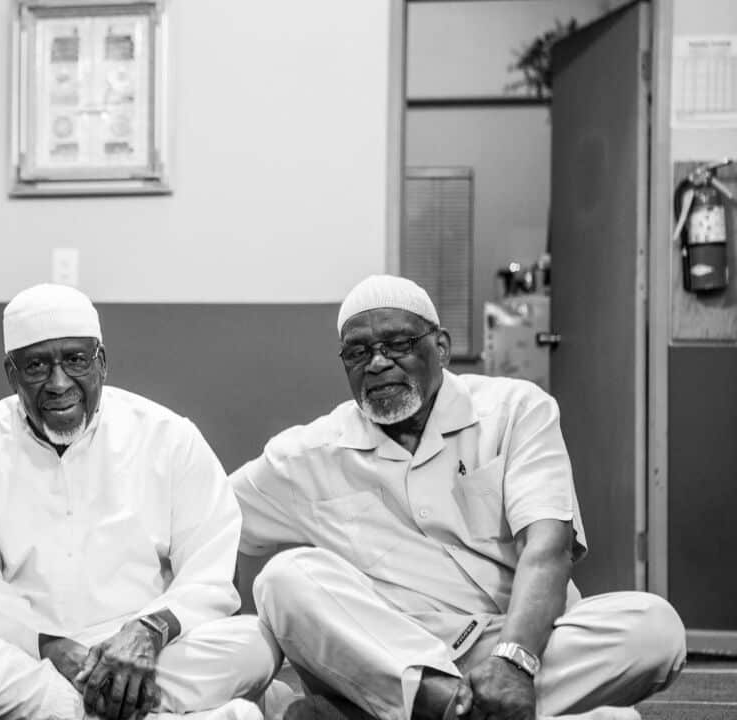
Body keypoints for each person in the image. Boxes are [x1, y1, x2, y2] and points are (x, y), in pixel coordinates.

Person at [231, 275, 686, 720]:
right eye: (358, 351)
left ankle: (389, 712)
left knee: (654, 631)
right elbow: (205, 518)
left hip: (521, 641)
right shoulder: (308, 454)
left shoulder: (515, 409)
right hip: (391, 655)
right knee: (283, 579)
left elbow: (548, 547)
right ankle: (450, 706)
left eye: (398, 344)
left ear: (442, 347)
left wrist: (513, 662)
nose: (377, 362)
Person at [0, 284, 281, 720]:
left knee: (256, 644)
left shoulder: (168, 436)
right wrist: (50, 647)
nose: (59, 384)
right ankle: (130, 712)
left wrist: (149, 631)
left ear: (102, 362)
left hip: (147, 654)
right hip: (28, 658)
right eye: (36, 365)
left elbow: (210, 571)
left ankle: (62, 712)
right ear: (11, 373)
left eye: (76, 360)